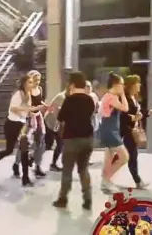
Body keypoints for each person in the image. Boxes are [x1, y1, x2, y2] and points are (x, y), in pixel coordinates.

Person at [0, 75, 40, 186]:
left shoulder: (28, 95)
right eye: (30, 82)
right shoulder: (18, 94)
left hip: (21, 125)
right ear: (24, 83)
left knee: (24, 150)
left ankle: (25, 178)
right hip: (11, 124)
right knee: (9, 150)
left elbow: (25, 111)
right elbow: (13, 108)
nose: (32, 84)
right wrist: (27, 110)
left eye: (32, 82)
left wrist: (34, 110)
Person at [52, 72, 95, 210]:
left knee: (67, 170)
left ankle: (63, 199)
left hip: (71, 139)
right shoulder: (90, 100)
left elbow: (60, 117)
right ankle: (87, 199)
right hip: (87, 138)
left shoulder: (69, 100)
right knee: (83, 169)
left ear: (72, 84)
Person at [120, 75, 152, 189]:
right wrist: (134, 118)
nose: (140, 85)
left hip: (133, 130)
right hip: (126, 130)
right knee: (132, 155)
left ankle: (137, 180)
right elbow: (122, 115)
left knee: (129, 155)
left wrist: (150, 112)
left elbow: (140, 112)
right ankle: (138, 181)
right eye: (138, 83)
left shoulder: (134, 98)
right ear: (132, 85)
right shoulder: (125, 98)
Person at [13, 70, 47, 178]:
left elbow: (39, 101)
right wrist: (32, 112)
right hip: (27, 119)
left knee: (41, 142)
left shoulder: (40, 89)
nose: (37, 82)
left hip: (38, 117)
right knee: (24, 143)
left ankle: (37, 166)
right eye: (35, 80)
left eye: (39, 80)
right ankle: (16, 164)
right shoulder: (26, 91)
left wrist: (46, 105)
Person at [99, 72, 129, 192]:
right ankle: (106, 179)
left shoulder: (108, 96)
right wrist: (123, 95)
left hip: (109, 129)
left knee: (109, 158)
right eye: (122, 84)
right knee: (124, 157)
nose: (123, 87)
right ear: (116, 84)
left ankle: (105, 181)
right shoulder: (111, 97)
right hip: (110, 131)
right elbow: (125, 108)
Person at [44, 89, 68, 172]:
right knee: (47, 145)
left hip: (57, 124)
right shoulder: (61, 97)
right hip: (50, 122)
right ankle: (32, 158)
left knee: (60, 144)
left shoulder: (69, 98)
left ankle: (53, 164)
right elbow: (55, 111)